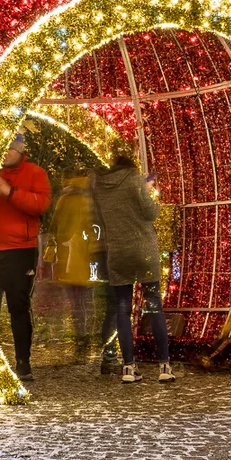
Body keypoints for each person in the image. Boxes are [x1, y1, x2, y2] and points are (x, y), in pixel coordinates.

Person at [91, 154, 174, 384]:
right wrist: (146, 189)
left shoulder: (100, 187)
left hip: (117, 252)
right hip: (143, 250)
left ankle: (128, 367)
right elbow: (151, 213)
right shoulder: (135, 180)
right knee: (154, 305)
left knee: (122, 308)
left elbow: (101, 219)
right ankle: (164, 365)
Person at [0, 133, 52, 381]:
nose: (5, 153)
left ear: (21, 151)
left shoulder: (35, 173)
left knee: (18, 308)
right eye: (1, 148)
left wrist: (9, 191)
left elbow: (41, 205)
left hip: (21, 251)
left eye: (10, 149)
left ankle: (23, 362)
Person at [46, 167, 98, 363]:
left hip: (66, 256)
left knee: (74, 301)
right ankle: (83, 338)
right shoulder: (86, 200)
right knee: (83, 301)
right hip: (82, 256)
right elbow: (90, 228)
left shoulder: (63, 199)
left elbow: (53, 226)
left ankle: (81, 338)